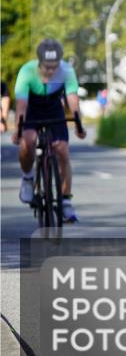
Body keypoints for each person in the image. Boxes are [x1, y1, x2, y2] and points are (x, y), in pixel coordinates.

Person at [11, 39, 87, 223]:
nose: (51, 71)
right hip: (32, 110)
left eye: (54, 67)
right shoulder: (27, 72)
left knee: (62, 150)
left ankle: (66, 199)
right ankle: (28, 178)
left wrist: (78, 124)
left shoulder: (67, 71)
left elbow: (72, 100)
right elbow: (21, 105)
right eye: (47, 67)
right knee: (28, 141)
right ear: (39, 62)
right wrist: (17, 130)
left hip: (54, 109)